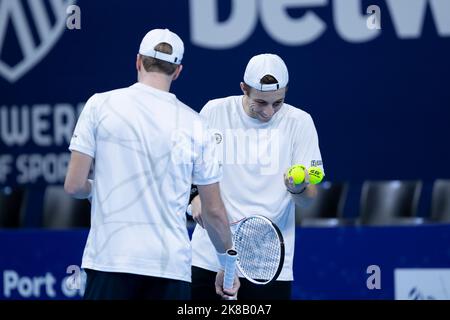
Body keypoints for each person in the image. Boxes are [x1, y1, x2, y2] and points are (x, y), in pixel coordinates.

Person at [64, 28, 239, 300]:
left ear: (138, 61)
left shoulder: (99, 105)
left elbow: (74, 185)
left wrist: (99, 189)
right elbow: (214, 212)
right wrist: (226, 263)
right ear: (178, 71)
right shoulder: (196, 124)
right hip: (169, 269)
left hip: (109, 261)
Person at [190, 53, 325, 300]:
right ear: (243, 89)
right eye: (261, 103)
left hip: (269, 264)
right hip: (208, 258)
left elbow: (308, 199)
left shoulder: (301, 123)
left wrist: (298, 188)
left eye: (278, 102)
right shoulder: (214, 111)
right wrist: (194, 197)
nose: (269, 112)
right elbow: (190, 169)